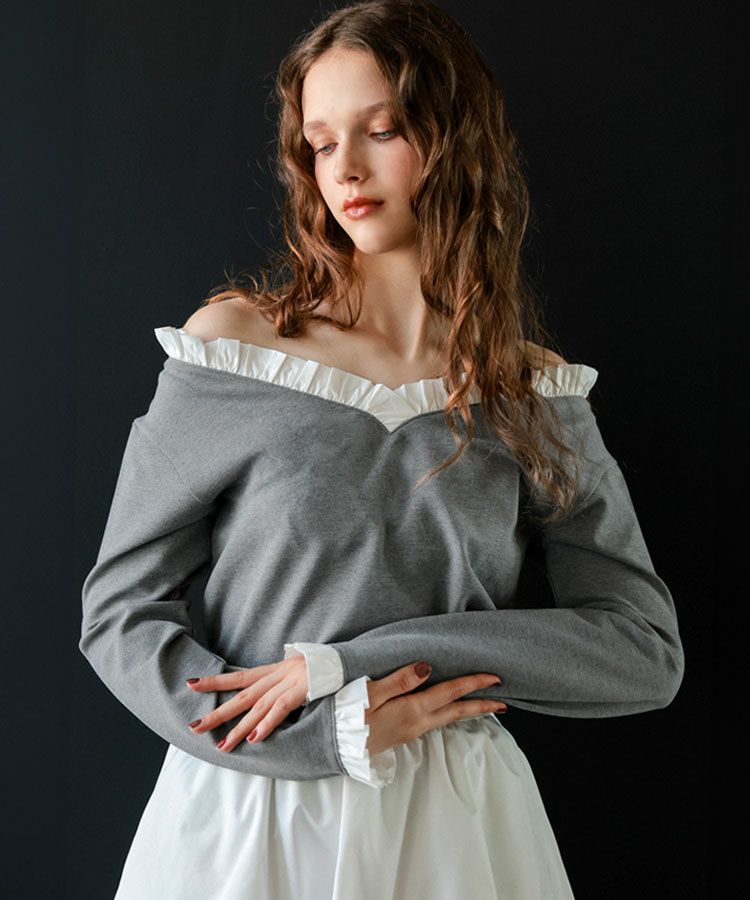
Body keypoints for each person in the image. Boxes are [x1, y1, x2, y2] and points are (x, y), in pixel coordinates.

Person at [79, 1, 685, 897]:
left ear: (456, 140)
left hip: (458, 825)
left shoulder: (535, 393)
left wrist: (351, 663)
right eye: (321, 142)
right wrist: (314, 731)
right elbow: (119, 614)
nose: (346, 170)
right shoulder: (237, 351)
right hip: (253, 814)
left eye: (383, 130)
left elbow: (641, 652)